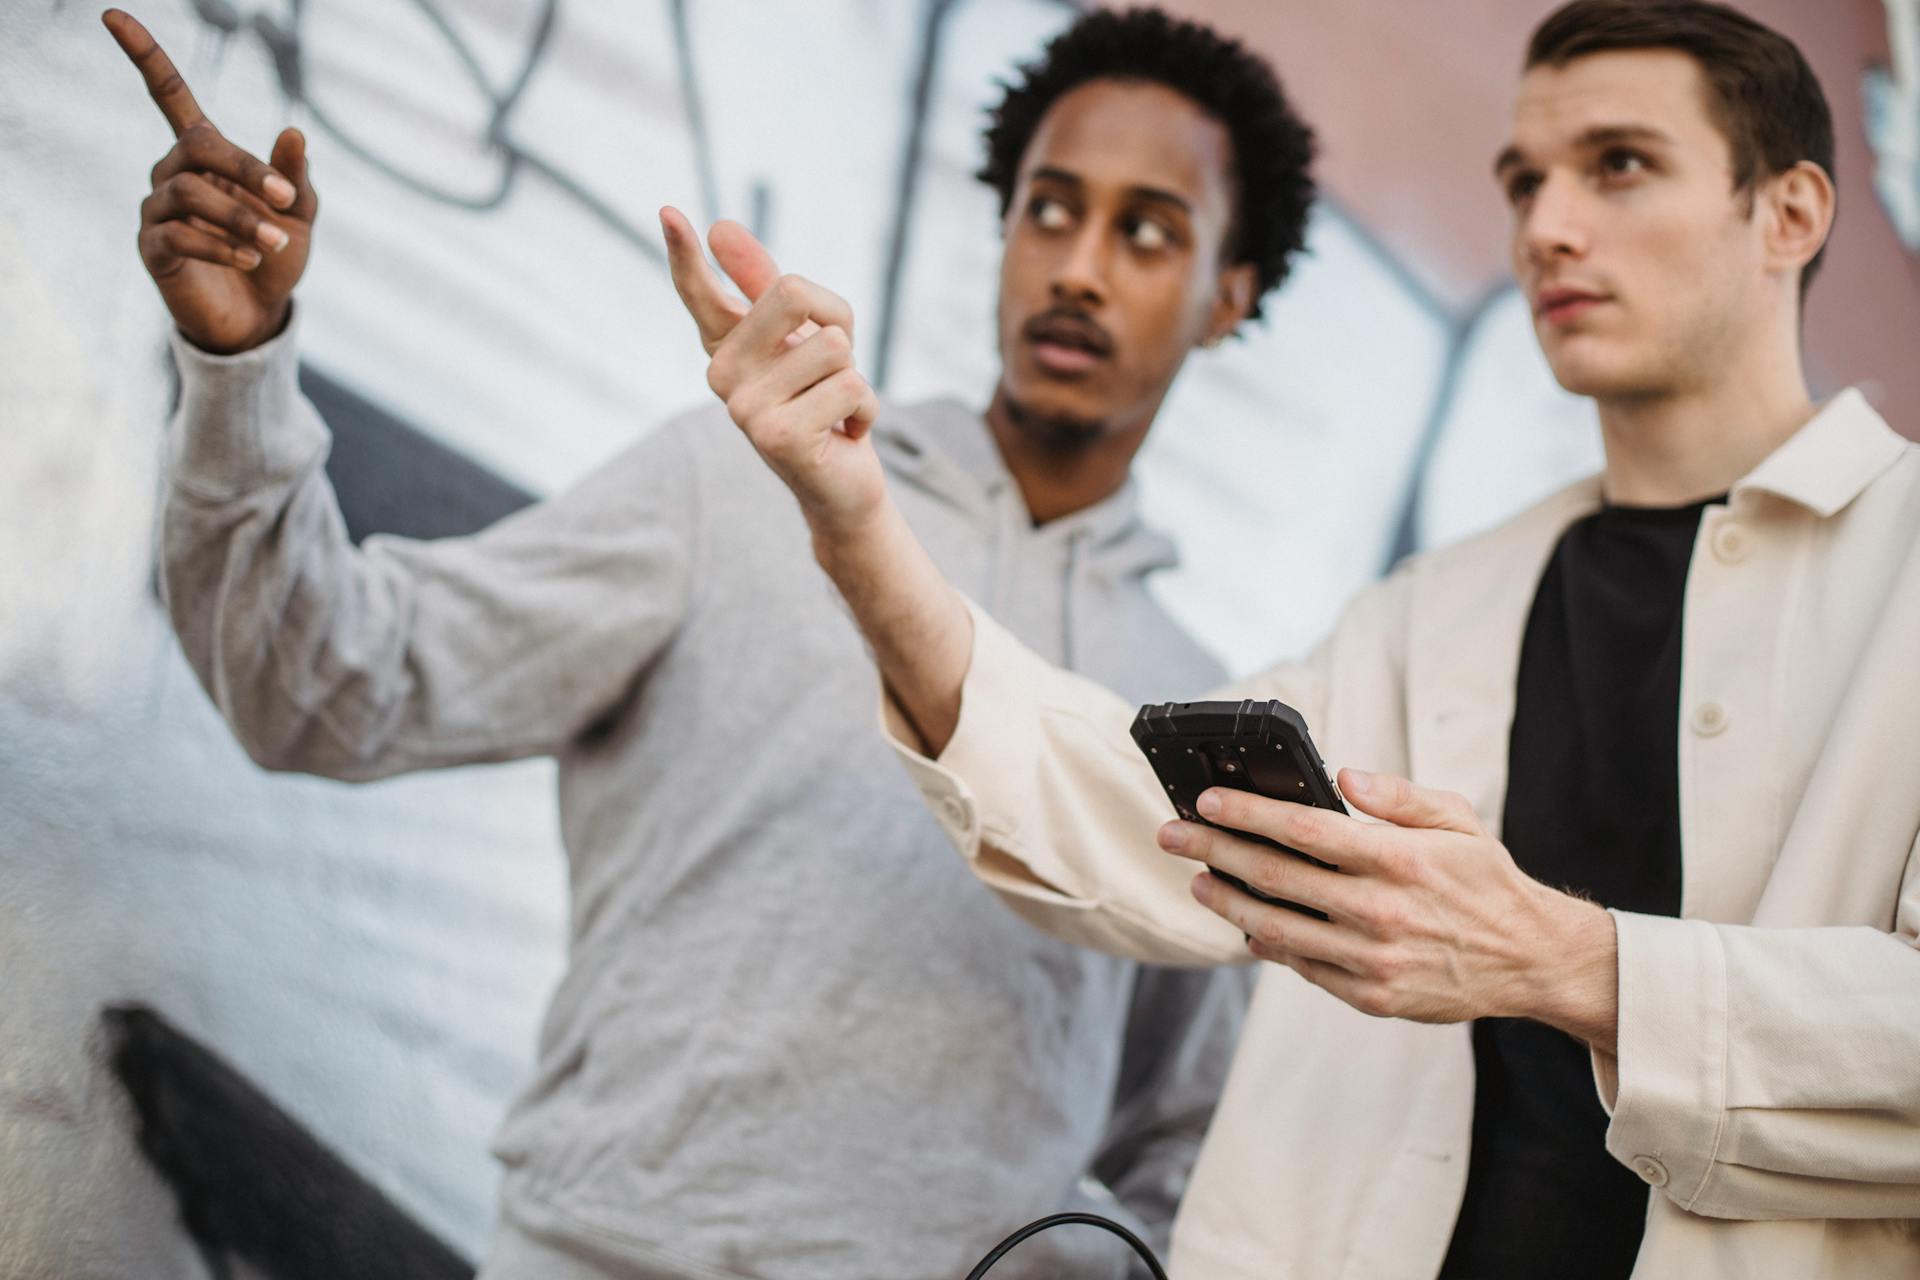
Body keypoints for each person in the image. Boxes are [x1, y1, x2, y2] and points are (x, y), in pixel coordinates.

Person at [668, 1, 1920, 1276]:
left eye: (1619, 165)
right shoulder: (1439, 608)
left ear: (1791, 213)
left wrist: (1568, 961)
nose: (1548, 225)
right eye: (1524, 179)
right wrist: (856, 516)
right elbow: (1115, 801)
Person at [103, 5, 1321, 1277]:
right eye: (1050, 208)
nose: (1077, 264)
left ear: (1227, 292)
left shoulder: (1195, 704)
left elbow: (1194, 1148)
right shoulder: (742, 478)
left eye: (1147, 229)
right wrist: (237, 363)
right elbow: (318, 689)